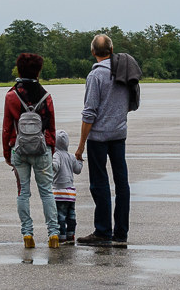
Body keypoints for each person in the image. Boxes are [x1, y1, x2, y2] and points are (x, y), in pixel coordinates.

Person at [75, 34, 131, 246]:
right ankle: (121, 232)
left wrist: (81, 145)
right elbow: (134, 102)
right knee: (122, 183)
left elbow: (89, 113)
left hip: (98, 137)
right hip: (119, 134)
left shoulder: (95, 76)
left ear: (93, 52)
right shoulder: (123, 71)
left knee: (99, 183)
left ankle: (103, 231)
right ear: (111, 49)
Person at [2, 53, 59, 248]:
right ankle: (53, 234)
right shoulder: (46, 96)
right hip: (42, 149)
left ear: (19, 69)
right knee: (47, 193)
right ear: (39, 70)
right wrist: (50, 149)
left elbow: (7, 127)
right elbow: (51, 127)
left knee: (23, 192)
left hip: (19, 150)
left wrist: (6, 152)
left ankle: (27, 233)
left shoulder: (11, 96)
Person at [52, 130, 83, 245]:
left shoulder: (56, 155)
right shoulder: (71, 156)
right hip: (70, 193)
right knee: (71, 215)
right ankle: (71, 234)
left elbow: (55, 165)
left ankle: (62, 236)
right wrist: (79, 160)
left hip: (59, 193)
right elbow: (78, 170)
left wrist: (48, 164)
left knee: (60, 216)